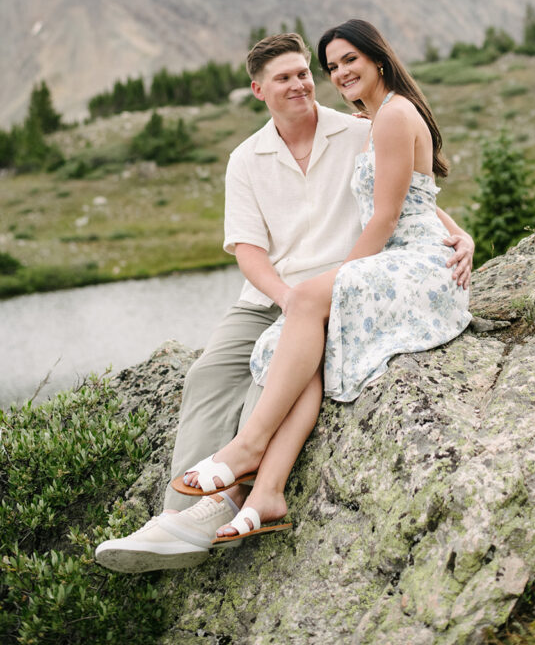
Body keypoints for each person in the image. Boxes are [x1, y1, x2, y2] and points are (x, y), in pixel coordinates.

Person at [96, 31, 473, 571]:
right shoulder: (245, 159)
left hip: (335, 285)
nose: (301, 84)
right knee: (206, 375)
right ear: (258, 90)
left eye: (305, 73)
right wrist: (285, 297)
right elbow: (247, 250)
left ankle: (215, 511)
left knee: (270, 374)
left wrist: (460, 234)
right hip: (270, 294)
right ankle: (173, 517)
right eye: (285, 77)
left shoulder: (359, 128)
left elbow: (404, 196)